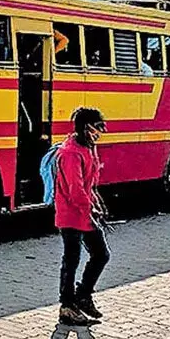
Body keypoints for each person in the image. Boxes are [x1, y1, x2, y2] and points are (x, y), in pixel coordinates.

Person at [55, 107, 110, 326]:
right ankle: (67, 306)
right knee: (72, 259)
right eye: (98, 127)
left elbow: (88, 184)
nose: (100, 132)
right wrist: (91, 208)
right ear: (86, 128)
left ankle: (83, 296)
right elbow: (75, 190)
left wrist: (96, 201)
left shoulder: (88, 147)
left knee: (101, 254)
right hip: (70, 214)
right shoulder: (70, 153)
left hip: (84, 212)